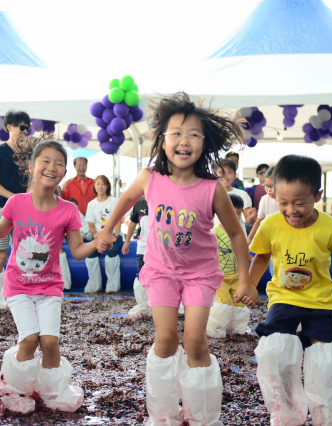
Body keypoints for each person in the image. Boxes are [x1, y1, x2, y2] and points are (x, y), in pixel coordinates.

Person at [95, 92, 251, 425]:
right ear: (163, 142)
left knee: (195, 342)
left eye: (193, 134)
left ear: (204, 142)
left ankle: (203, 417)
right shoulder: (151, 177)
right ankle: (163, 416)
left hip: (199, 274)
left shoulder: (211, 188)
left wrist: (247, 279)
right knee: (165, 339)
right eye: (176, 133)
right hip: (161, 270)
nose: (184, 141)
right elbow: (125, 199)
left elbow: (237, 234)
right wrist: (108, 228)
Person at [0, 136, 100, 414]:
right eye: (45, 161)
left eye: (59, 163)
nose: (52, 167)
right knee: (29, 338)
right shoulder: (16, 203)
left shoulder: (68, 210)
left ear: (65, 171)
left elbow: (77, 250)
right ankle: (13, 389)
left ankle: (52, 392)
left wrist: (98, 242)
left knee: (50, 342)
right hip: (18, 285)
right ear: (32, 165)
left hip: (49, 288)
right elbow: (0, 231)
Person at [246, 154, 332, 426]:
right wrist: (250, 286)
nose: (291, 210)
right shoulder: (271, 224)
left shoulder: (330, 226)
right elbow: (261, 256)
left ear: (317, 195)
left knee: (324, 357)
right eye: (283, 202)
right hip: (283, 299)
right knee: (275, 349)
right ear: (274, 194)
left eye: (300, 203)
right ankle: (287, 415)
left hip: (320, 302)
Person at [0, 110, 30, 309]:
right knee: (1, 255)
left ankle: (18, 294)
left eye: (27, 127)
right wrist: (14, 198)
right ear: (9, 127)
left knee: (23, 254)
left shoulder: (30, 153)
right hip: (0, 208)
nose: (25, 131)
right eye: (22, 127)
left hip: (23, 210)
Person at [207, 194, 252, 338]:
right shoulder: (214, 233)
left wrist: (249, 256)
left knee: (239, 301)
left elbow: (242, 250)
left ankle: (237, 328)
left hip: (236, 274)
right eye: (229, 213)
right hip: (220, 276)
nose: (234, 217)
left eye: (238, 214)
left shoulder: (239, 231)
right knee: (224, 302)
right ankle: (218, 327)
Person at [85, 175, 121, 293]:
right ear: (94, 187)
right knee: (90, 254)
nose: (100, 187)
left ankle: (112, 286)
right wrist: (97, 236)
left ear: (107, 186)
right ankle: (94, 285)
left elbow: (118, 220)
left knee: (111, 251)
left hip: (114, 237)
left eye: (103, 184)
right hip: (99, 237)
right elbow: (91, 226)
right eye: (97, 184)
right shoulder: (91, 204)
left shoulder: (114, 201)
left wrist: (115, 236)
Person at [122, 196, 151, 319]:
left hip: (162, 248)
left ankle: (160, 306)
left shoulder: (166, 199)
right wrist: (127, 241)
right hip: (143, 247)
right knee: (141, 275)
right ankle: (143, 306)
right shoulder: (140, 203)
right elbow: (133, 222)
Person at [214, 159, 257, 234]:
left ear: (234, 175)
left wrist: (251, 217)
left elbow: (248, 220)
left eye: (229, 172)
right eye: (221, 172)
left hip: (237, 237)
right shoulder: (209, 194)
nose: (225, 175)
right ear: (215, 174)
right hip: (215, 238)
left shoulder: (242, 195)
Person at [247, 166, 277, 245]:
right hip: (270, 241)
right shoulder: (265, 199)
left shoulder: (289, 200)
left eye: (272, 186)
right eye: (266, 186)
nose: (268, 190)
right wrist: (249, 239)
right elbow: (258, 222)